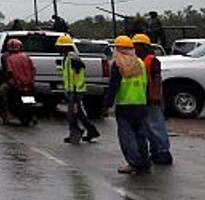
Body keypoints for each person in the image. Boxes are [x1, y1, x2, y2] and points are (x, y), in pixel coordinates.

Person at [102, 36, 151, 175]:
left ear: (117, 49)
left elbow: (113, 86)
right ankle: (144, 161)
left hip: (125, 104)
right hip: (140, 103)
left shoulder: (118, 64)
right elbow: (146, 84)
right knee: (141, 135)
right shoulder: (140, 63)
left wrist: (106, 105)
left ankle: (133, 163)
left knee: (127, 136)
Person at [133, 34, 173, 165]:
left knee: (156, 126)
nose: (134, 48)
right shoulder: (140, 60)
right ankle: (156, 152)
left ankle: (163, 152)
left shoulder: (151, 60)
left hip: (151, 99)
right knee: (148, 127)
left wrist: (156, 97)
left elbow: (156, 80)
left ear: (144, 46)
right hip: (143, 98)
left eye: (137, 45)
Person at [56, 34, 99, 144]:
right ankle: (91, 130)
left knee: (72, 114)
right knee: (79, 113)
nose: (58, 48)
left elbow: (74, 75)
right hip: (73, 90)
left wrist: (74, 91)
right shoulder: (69, 57)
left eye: (60, 46)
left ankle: (76, 132)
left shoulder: (71, 58)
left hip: (75, 91)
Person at [0, 38, 36, 125]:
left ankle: (1, 116)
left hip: (15, 83)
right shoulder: (26, 57)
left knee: (1, 94)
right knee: (33, 97)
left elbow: (9, 72)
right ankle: (32, 116)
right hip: (28, 83)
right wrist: (31, 80)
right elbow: (33, 69)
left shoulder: (8, 58)